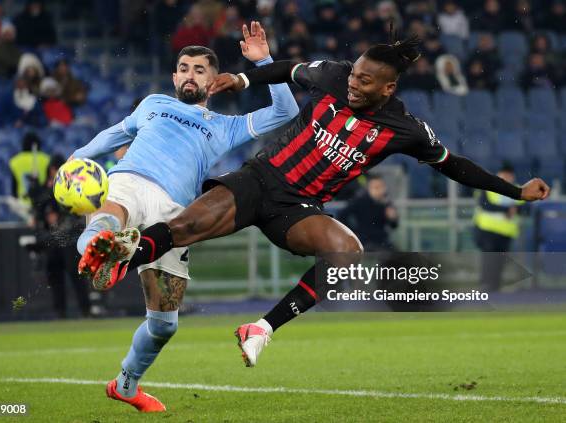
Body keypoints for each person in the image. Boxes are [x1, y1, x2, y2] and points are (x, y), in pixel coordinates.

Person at [83, 35, 550, 368]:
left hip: (297, 207)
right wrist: (245, 79)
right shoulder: (333, 74)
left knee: (347, 255)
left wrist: (515, 191)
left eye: (366, 81)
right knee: (183, 228)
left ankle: (261, 330)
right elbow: (288, 69)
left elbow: (455, 164)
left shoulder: (405, 129)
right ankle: (124, 254)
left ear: (388, 89)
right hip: (259, 180)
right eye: (356, 74)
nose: (354, 83)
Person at [72, 23, 298, 412]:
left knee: (164, 325)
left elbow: (286, 111)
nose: (189, 74)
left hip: (175, 218)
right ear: (174, 75)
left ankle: (125, 385)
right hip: (131, 179)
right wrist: (76, 161)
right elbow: (113, 135)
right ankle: (101, 250)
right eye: (184, 68)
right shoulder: (153, 104)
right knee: (111, 213)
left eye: (199, 70)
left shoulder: (226, 127)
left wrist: (264, 62)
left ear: (214, 81)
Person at [27, 154, 90, 318]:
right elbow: (39, 209)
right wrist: (35, 192)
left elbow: (76, 214)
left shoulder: (71, 188)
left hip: (68, 240)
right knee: (55, 277)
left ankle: (85, 310)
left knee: (76, 277)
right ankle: (61, 311)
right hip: (53, 240)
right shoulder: (47, 189)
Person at [473, 164, 525, 292]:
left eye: (509, 175)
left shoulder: (518, 190)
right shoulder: (488, 188)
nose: (507, 178)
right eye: (504, 175)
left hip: (506, 232)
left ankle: (495, 286)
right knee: (489, 258)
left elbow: (525, 207)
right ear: (499, 174)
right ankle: (486, 285)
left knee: (500, 260)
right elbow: (485, 205)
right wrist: (508, 209)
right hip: (487, 230)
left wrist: (516, 209)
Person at [338, 174, 398, 252]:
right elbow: (341, 216)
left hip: (382, 241)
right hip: (365, 241)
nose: (379, 190)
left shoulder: (386, 203)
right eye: (376, 187)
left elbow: (394, 226)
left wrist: (393, 218)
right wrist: (353, 232)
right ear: (369, 188)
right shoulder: (359, 201)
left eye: (381, 187)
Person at [9, 132, 50, 205]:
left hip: (22, 204)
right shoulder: (46, 159)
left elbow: (14, 189)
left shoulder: (14, 161)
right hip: (42, 202)